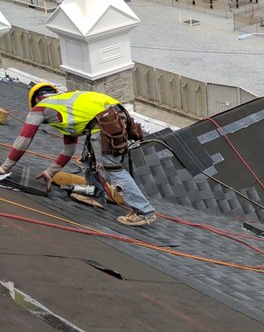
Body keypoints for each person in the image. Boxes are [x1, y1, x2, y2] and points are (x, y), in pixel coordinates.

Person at [0, 82, 156, 227]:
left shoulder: (40, 108)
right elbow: (69, 149)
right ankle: (97, 196)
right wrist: (50, 173)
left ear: (35, 99)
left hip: (105, 121)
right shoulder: (65, 106)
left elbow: (23, 141)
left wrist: (4, 169)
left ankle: (144, 212)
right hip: (115, 116)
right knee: (89, 161)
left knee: (113, 168)